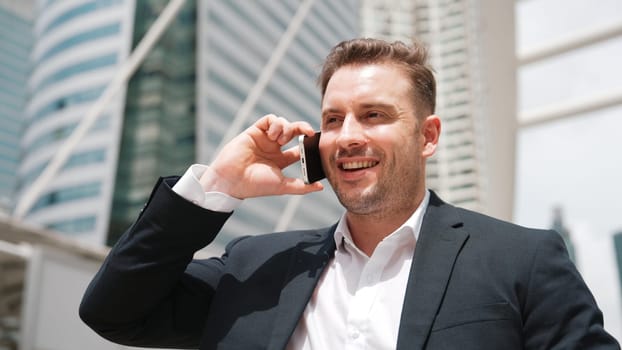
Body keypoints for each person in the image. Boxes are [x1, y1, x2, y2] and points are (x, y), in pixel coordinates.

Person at [79, 38, 619, 349]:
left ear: (427, 136)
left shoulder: (521, 260)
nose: (348, 135)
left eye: (375, 115)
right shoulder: (256, 266)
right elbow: (113, 311)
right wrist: (218, 185)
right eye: (333, 119)